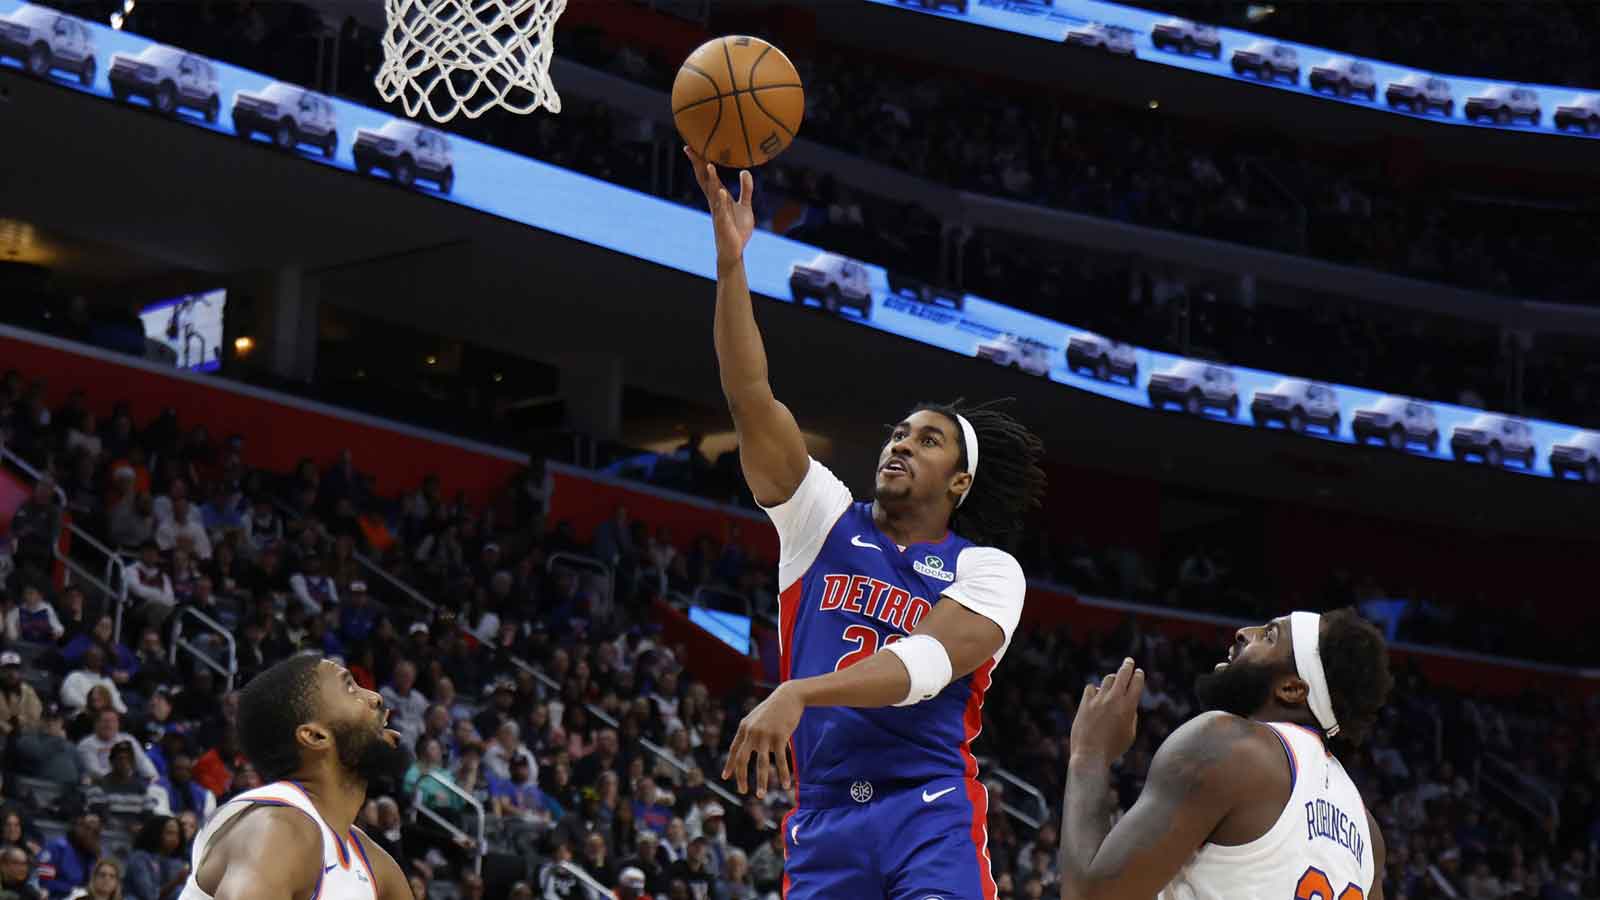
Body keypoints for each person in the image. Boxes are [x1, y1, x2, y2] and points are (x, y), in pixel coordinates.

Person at [687, 150, 1047, 899]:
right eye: (897, 432)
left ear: (960, 481)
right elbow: (751, 398)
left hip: (928, 811)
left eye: (926, 439)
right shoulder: (821, 519)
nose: (900, 443)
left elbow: (924, 666)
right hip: (822, 820)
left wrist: (799, 694)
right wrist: (730, 269)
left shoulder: (987, 569)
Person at [1058, 609, 1394, 900]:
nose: (1244, 633)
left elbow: (1089, 895)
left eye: (1269, 636)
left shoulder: (1227, 746)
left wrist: (1090, 754)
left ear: (1291, 689)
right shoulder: (1368, 833)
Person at [174, 652, 413, 900]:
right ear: (315, 736)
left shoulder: (373, 863)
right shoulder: (276, 829)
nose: (375, 698)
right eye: (350, 688)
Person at [124, 817, 188, 900]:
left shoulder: (174, 862)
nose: (175, 839)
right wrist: (176, 881)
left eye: (177, 834)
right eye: (170, 833)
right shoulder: (139, 859)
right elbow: (150, 896)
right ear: (156, 833)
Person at [0, 652, 42, 738]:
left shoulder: (28, 691)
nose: (11, 673)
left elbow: (35, 718)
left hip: (23, 738)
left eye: (15, 669)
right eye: (7, 669)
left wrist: (19, 720)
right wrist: (8, 728)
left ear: (20, 671)